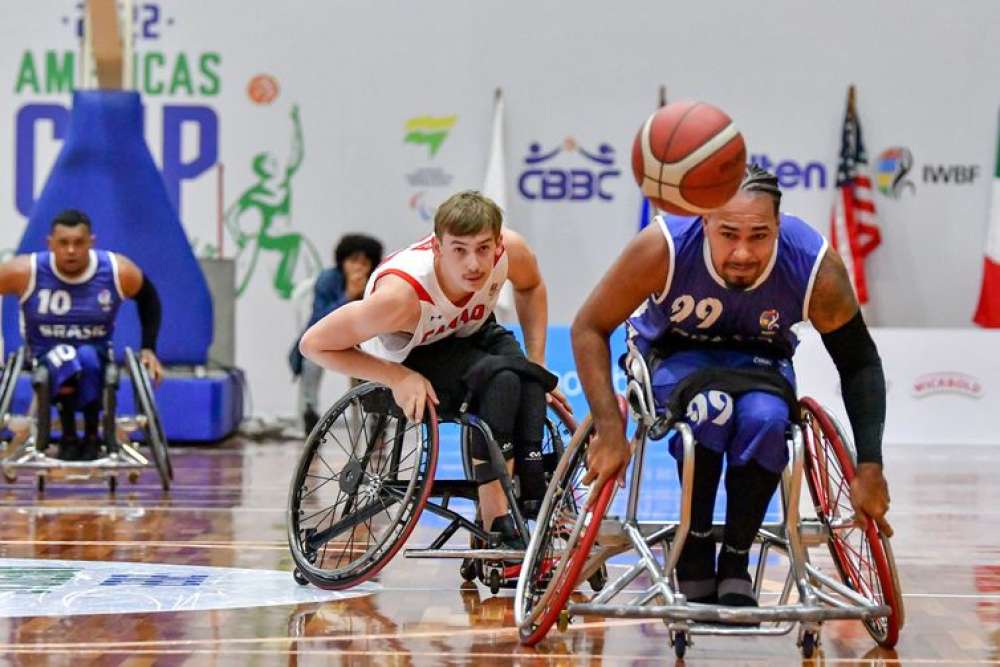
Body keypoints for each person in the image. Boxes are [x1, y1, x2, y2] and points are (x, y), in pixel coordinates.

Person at [572, 165, 891, 608]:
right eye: (728, 234)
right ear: (704, 222)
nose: (743, 252)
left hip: (760, 362)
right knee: (711, 409)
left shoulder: (814, 266)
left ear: (778, 227)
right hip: (673, 355)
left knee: (767, 419)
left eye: (759, 235)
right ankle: (695, 544)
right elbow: (589, 326)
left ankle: (737, 558)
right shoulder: (664, 246)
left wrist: (870, 466)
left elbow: (859, 364)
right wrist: (610, 430)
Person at [300, 190, 570, 549]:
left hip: (470, 329)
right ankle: (495, 518)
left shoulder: (511, 251)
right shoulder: (399, 297)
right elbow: (313, 344)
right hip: (413, 351)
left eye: (483, 249)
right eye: (459, 250)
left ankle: (534, 498)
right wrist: (396, 377)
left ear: (497, 244)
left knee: (532, 380)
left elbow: (532, 285)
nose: (474, 264)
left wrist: (537, 361)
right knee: (502, 381)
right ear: (438, 249)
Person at [0, 209, 163, 461]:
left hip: (96, 354)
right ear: (50, 244)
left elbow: (149, 298)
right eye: (63, 243)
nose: (71, 250)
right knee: (67, 357)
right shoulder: (26, 270)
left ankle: (89, 435)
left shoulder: (116, 271)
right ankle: (69, 433)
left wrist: (148, 348)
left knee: (86, 357)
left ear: (91, 243)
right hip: (44, 355)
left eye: (79, 243)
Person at [289, 233, 384, 434]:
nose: (358, 267)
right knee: (310, 360)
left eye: (365, 262)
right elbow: (318, 321)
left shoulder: (378, 282)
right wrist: (348, 296)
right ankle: (310, 412)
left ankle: (376, 418)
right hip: (330, 340)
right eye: (353, 261)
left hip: (364, 341)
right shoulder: (327, 279)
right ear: (342, 261)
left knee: (376, 359)